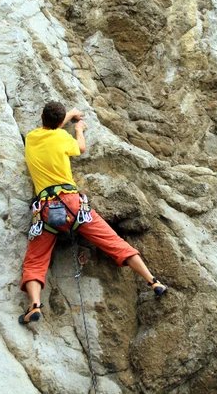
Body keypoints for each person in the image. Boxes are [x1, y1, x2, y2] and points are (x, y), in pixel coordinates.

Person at [19, 101, 168, 324]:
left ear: (41, 116)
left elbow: (53, 127)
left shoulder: (31, 138)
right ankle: (153, 281)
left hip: (47, 210)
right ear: (61, 123)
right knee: (113, 242)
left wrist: (67, 116)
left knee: (35, 260)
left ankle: (34, 306)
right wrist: (78, 128)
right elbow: (80, 148)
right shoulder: (63, 138)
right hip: (74, 204)